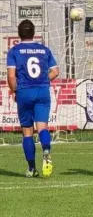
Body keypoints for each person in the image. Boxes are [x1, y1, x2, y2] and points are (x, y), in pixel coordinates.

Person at [7, 19, 59, 178]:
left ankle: (31, 168)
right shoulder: (44, 50)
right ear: (33, 33)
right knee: (42, 127)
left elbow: (10, 77)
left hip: (24, 92)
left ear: (19, 34)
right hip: (42, 91)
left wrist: (15, 90)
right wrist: (43, 81)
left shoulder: (14, 51)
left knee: (27, 132)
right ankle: (47, 150)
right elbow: (55, 71)